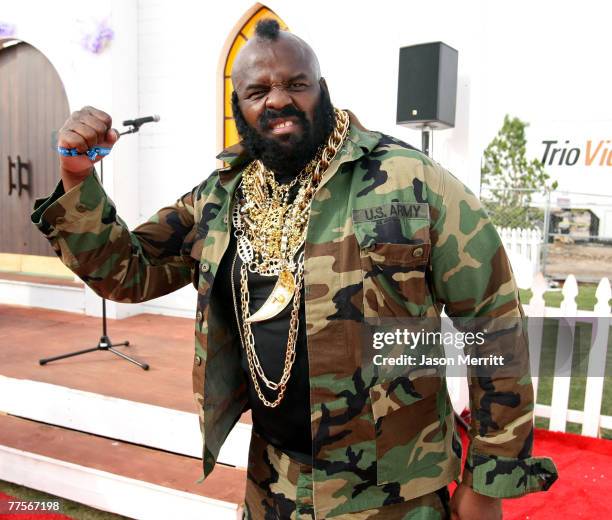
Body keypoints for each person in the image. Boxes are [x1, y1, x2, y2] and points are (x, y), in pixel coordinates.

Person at [31, 19, 557, 520]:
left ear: (322, 89)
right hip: (272, 482)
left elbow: (494, 327)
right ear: (238, 106)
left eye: (296, 84)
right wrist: (76, 176)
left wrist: (489, 480)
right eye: (257, 91)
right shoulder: (220, 198)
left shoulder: (411, 181)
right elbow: (130, 271)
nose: (278, 99)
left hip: (394, 493)